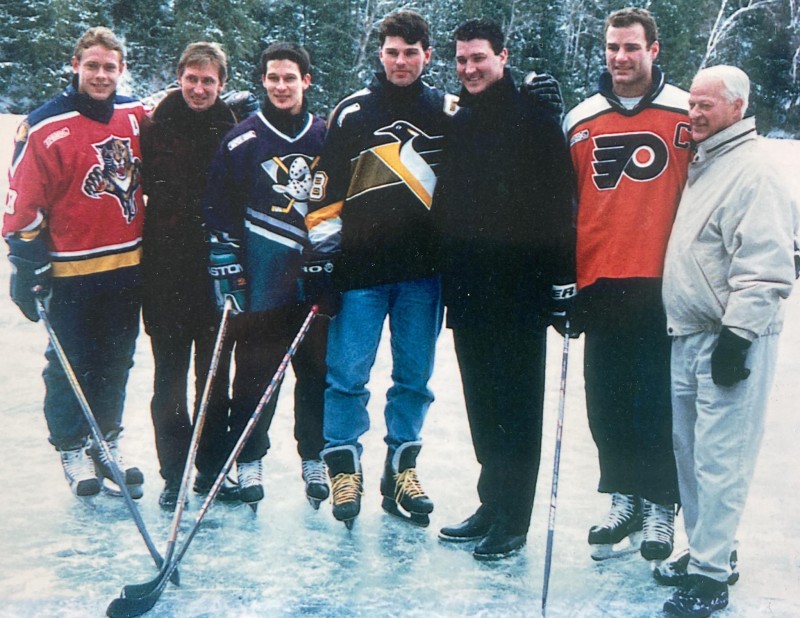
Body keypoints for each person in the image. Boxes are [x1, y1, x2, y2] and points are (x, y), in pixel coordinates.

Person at [304, 10, 455, 528]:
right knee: (347, 375)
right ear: (381, 52)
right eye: (392, 51)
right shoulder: (351, 111)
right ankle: (345, 467)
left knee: (414, 377)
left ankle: (401, 471)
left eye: (411, 52)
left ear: (427, 56)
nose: (400, 61)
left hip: (423, 272)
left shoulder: (448, 111)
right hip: (360, 273)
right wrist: (323, 260)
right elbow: (324, 193)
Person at [434, 18, 575, 560]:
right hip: (469, 287)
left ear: (504, 56)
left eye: (479, 58)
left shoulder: (535, 115)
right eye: (462, 60)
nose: (469, 69)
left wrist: (561, 281)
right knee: (481, 403)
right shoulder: (461, 119)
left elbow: (559, 203)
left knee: (516, 408)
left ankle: (513, 520)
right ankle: (492, 503)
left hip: (519, 289)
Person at [660, 65, 797, 617]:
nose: (693, 113)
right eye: (692, 103)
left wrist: (738, 337)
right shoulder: (709, 161)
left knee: (721, 459)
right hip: (689, 331)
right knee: (691, 455)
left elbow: (767, 265)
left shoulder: (754, 170)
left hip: (727, 336)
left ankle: (711, 576)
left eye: (706, 105)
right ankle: (708, 553)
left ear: (737, 108)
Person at [561, 7, 689, 562]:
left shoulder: (687, 112)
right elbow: (566, 205)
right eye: (612, 47)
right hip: (601, 279)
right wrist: (565, 279)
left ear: (653, 49)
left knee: (659, 399)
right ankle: (625, 496)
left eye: (631, 47)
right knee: (607, 401)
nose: (620, 57)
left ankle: (663, 503)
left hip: (664, 281)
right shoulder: (581, 118)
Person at [3, 27, 146, 498]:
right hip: (70, 269)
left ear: (121, 70)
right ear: (75, 66)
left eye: (110, 67)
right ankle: (70, 445)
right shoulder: (45, 125)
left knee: (117, 360)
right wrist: (26, 262)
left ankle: (106, 441)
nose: (101, 75)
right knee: (69, 362)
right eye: (93, 66)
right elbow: (22, 201)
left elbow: (178, 118)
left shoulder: (133, 115)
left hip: (126, 264)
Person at [202, 42, 330, 510]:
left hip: (313, 280)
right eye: (273, 78)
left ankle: (313, 457)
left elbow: (340, 207)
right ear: (262, 81)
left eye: (289, 78)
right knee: (256, 375)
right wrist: (228, 268)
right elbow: (217, 211)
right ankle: (249, 457)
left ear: (306, 82)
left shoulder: (325, 137)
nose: (281, 86)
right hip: (262, 283)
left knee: (316, 373)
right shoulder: (243, 140)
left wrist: (332, 261)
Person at [140, 42, 239, 510]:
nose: (199, 89)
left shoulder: (233, 126)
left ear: (221, 83)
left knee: (215, 376)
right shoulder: (153, 124)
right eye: (192, 78)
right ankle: (173, 471)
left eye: (209, 81)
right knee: (170, 379)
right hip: (164, 273)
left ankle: (213, 468)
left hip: (214, 273)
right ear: (180, 76)